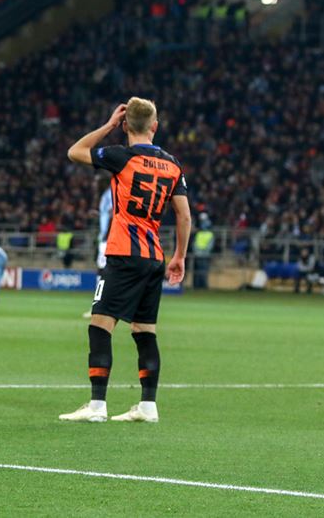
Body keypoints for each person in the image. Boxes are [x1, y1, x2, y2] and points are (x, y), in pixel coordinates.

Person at [60, 98, 191, 424]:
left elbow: (75, 151)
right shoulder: (172, 164)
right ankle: (148, 406)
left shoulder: (121, 156)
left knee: (99, 326)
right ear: (155, 126)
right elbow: (184, 216)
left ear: (125, 125)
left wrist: (108, 126)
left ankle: (97, 405)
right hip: (154, 257)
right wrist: (179, 255)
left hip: (123, 254)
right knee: (145, 331)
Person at [83, 181, 112, 318]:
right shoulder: (106, 194)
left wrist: (107, 235)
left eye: (97, 182)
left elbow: (114, 213)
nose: (94, 185)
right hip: (105, 238)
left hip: (107, 239)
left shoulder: (109, 194)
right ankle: (102, 306)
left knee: (102, 272)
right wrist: (99, 214)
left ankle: (98, 307)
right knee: (103, 272)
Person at [192, 213, 214, 290]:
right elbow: (194, 244)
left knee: (202, 270)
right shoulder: (201, 233)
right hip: (200, 255)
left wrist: (198, 252)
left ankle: (202, 286)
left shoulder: (208, 234)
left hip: (203, 255)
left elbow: (209, 246)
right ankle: (198, 286)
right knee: (199, 271)